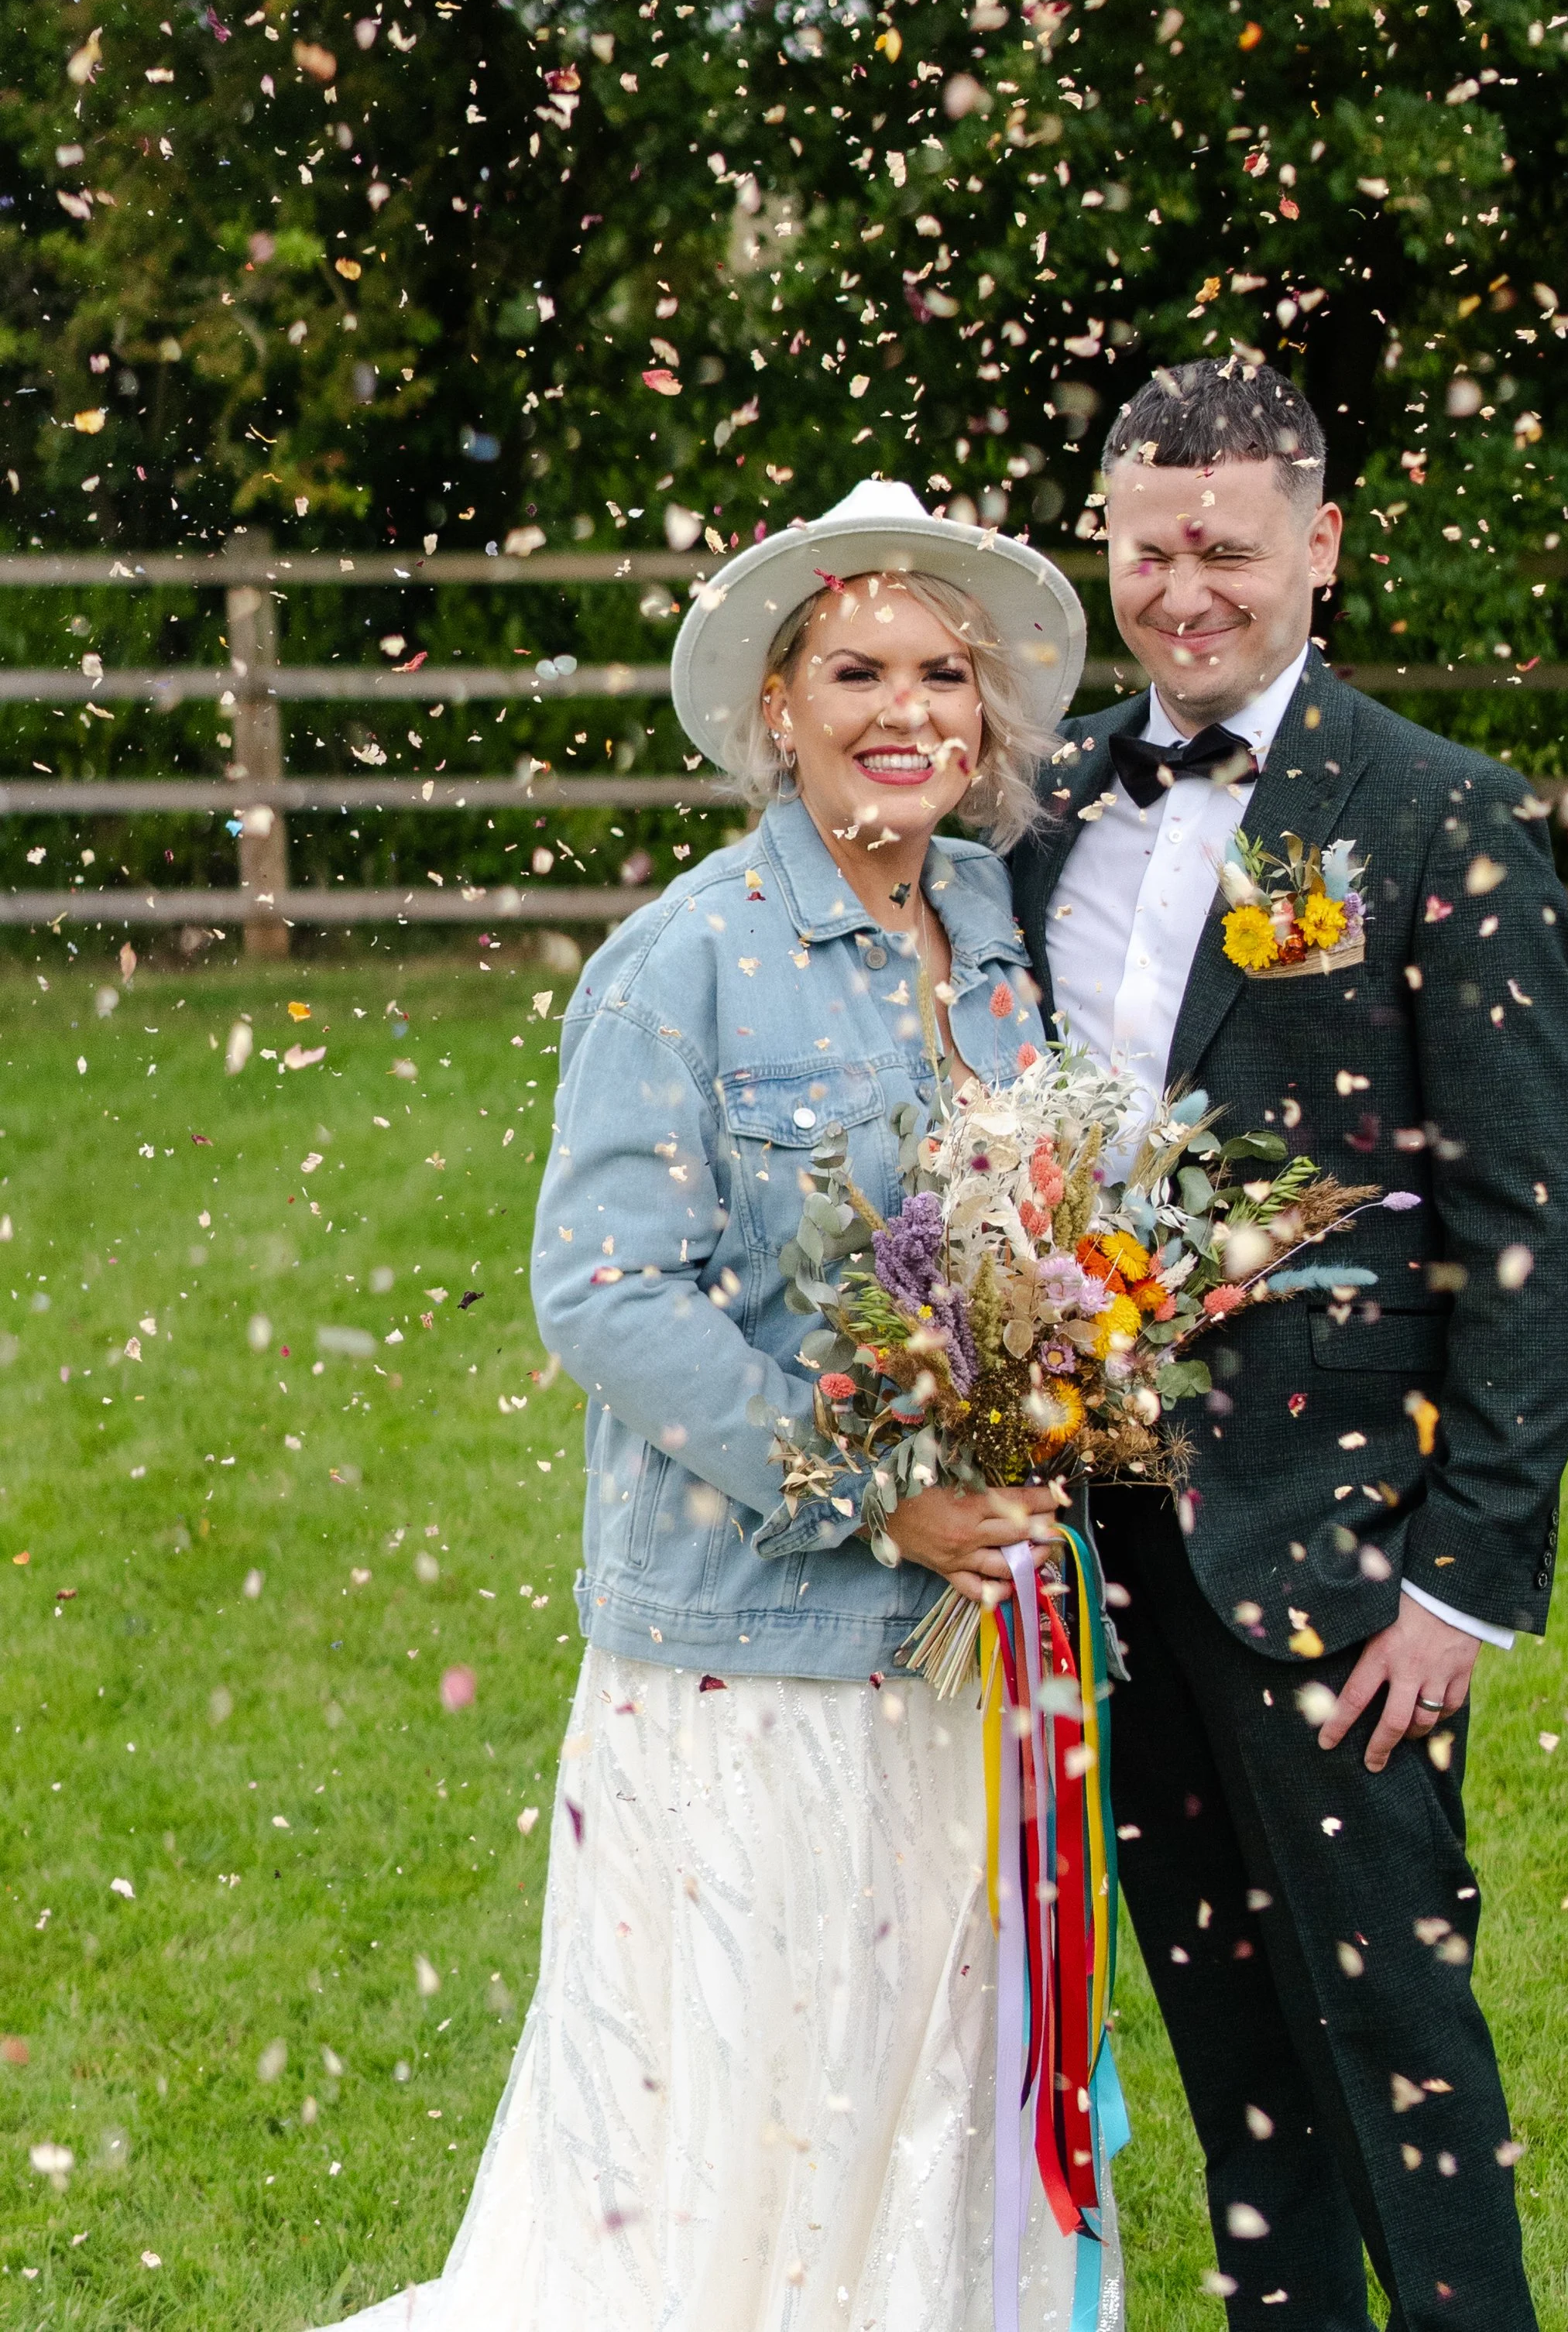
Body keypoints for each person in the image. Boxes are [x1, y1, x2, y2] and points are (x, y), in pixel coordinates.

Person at [323, 479, 1110, 2332]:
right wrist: (871, 1489)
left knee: (916, 2089)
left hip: (958, 1658)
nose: (903, 709)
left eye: (940, 673)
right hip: (753, 1653)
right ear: (776, 707)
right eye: (856, 670)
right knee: (737, 2106)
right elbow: (604, 1295)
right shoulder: (678, 963)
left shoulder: (988, 930)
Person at [1010, 360, 1568, 2332]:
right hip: (1097, 1539)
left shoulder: (1441, 816)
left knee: (1396, 2053)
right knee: (1226, 2053)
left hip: (1340, 1553)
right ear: (1103, 543)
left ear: (1321, 547)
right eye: (1148, 549)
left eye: (1229, 551)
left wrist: (1464, 1578)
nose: (1186, 592)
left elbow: (1534, 1229)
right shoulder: (1043, 806)